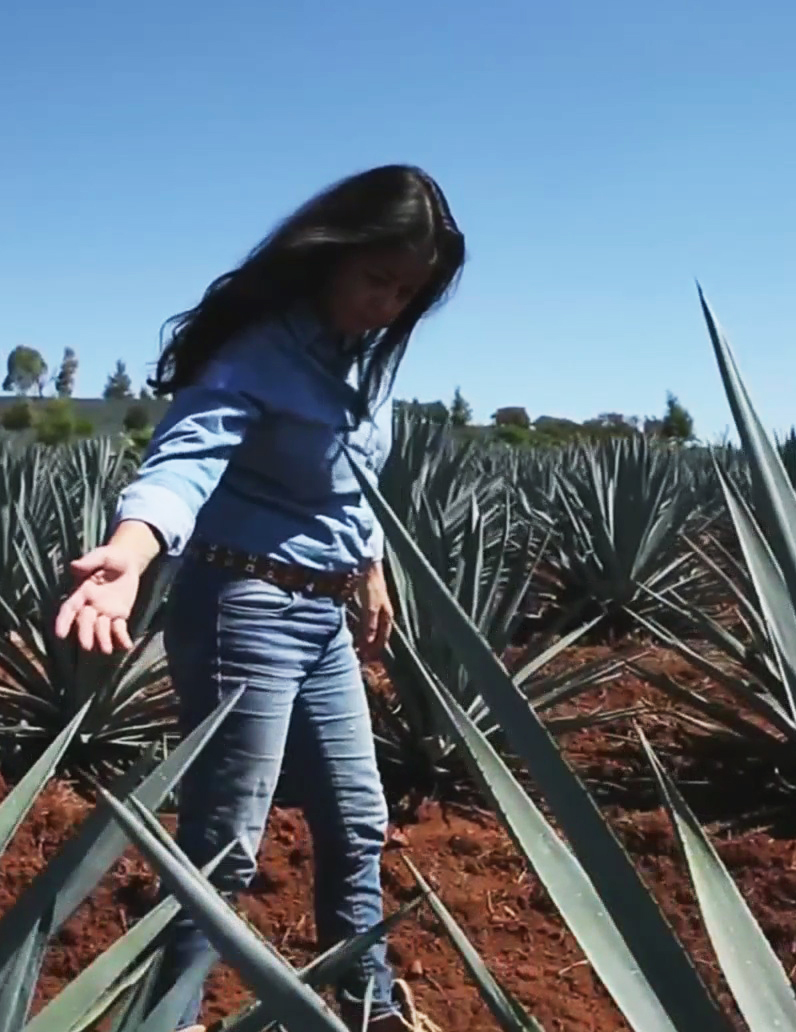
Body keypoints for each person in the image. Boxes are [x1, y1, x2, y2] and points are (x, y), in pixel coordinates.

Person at [53, 164, 464, 1032]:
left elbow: (351, 486)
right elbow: (184, 462)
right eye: (375, 279)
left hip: (322, 616)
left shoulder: (364, 361)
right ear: (332, 257)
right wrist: (130, 554)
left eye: (406, 290)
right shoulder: (257, 354)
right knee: (226, 843)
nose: (388, 305)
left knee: (357, 821)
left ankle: (370, 1009)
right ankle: (170, 1016)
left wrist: (372, 564)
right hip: (245, 604)